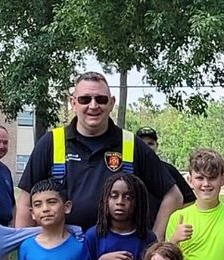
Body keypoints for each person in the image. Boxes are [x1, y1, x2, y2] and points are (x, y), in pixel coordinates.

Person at [17, 72, 182, 238]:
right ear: (73, 103)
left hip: (119, 255)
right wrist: (26, 249)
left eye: (101, 99)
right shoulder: (51, 143)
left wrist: (154, 242)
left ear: (111, 103)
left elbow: (174, 196)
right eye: (85, 99)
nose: (93, 105)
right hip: (65, 254)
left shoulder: (131, 145)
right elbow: (25, 201)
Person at [135, 126, 196, 207]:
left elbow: (189, 200)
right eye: (142, 144)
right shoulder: (130, 169)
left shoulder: (168, 170)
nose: (146, 147)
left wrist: (174, 217)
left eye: (150, 144)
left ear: (157, 146)